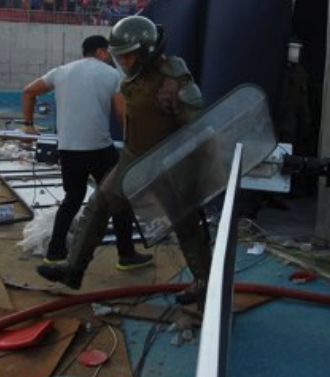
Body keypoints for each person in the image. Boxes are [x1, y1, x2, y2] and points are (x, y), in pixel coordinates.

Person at [37, 15, 211, 305]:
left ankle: (203, 282)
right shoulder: (133, 77)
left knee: (186, 222)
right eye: (120, 56)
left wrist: (188, 169)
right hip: (133, 158)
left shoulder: (172, 77)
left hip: (167, 160)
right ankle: (72, 270)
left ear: (147, 51)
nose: (124, 62)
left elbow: (196, 126)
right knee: (97, 206)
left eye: (129, 55)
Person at [21, 35, 151, 269]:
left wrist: (28, 124)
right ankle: (126, 254)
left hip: (68, 149)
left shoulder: (60, 72)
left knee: (72, 199)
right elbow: (121, 116)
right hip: (99, 148)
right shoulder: (111, 74)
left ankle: (55, 252)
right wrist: (134, 144)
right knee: (120, 200)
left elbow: (28, 91)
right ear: (102, 52)